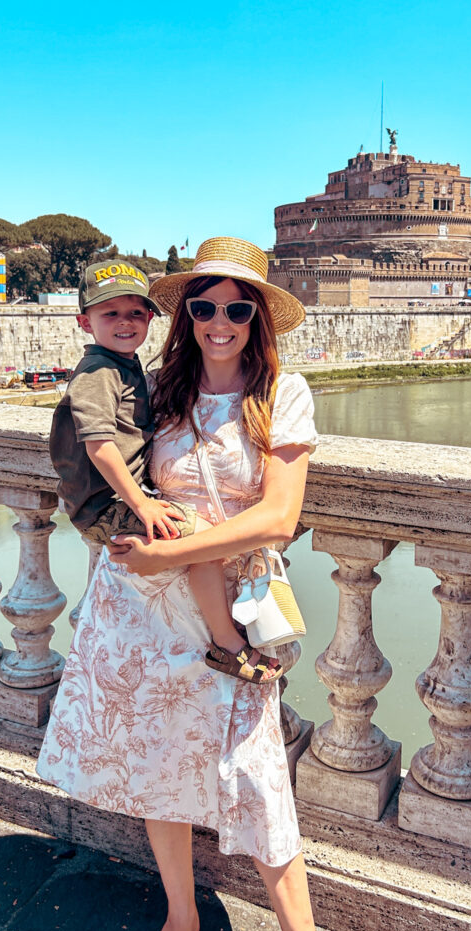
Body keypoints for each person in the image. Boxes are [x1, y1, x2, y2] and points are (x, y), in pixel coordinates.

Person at [37, 237, 373, 931]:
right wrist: (128, 545)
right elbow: (99, 461)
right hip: (146, 609)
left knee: (259, 781)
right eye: (204, 305)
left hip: (229, 615)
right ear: (184, 315)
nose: (220, 320)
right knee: (159, 765)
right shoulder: (157, 388)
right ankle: (179, 926)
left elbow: (278, 518)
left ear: (258, 317)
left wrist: (176, 553)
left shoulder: (284, 394)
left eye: (237, 306)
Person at [49, 258, 281, 684]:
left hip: (117, 509)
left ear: (152, 318)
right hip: (109, 507)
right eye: (110, 313)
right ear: (85, 322)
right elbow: (99, 446)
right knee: (202, 539)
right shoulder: (99, 373)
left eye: (136, 312)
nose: (125, 322)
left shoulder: (129, 369)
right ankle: (228, 645)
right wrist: (144, 506)